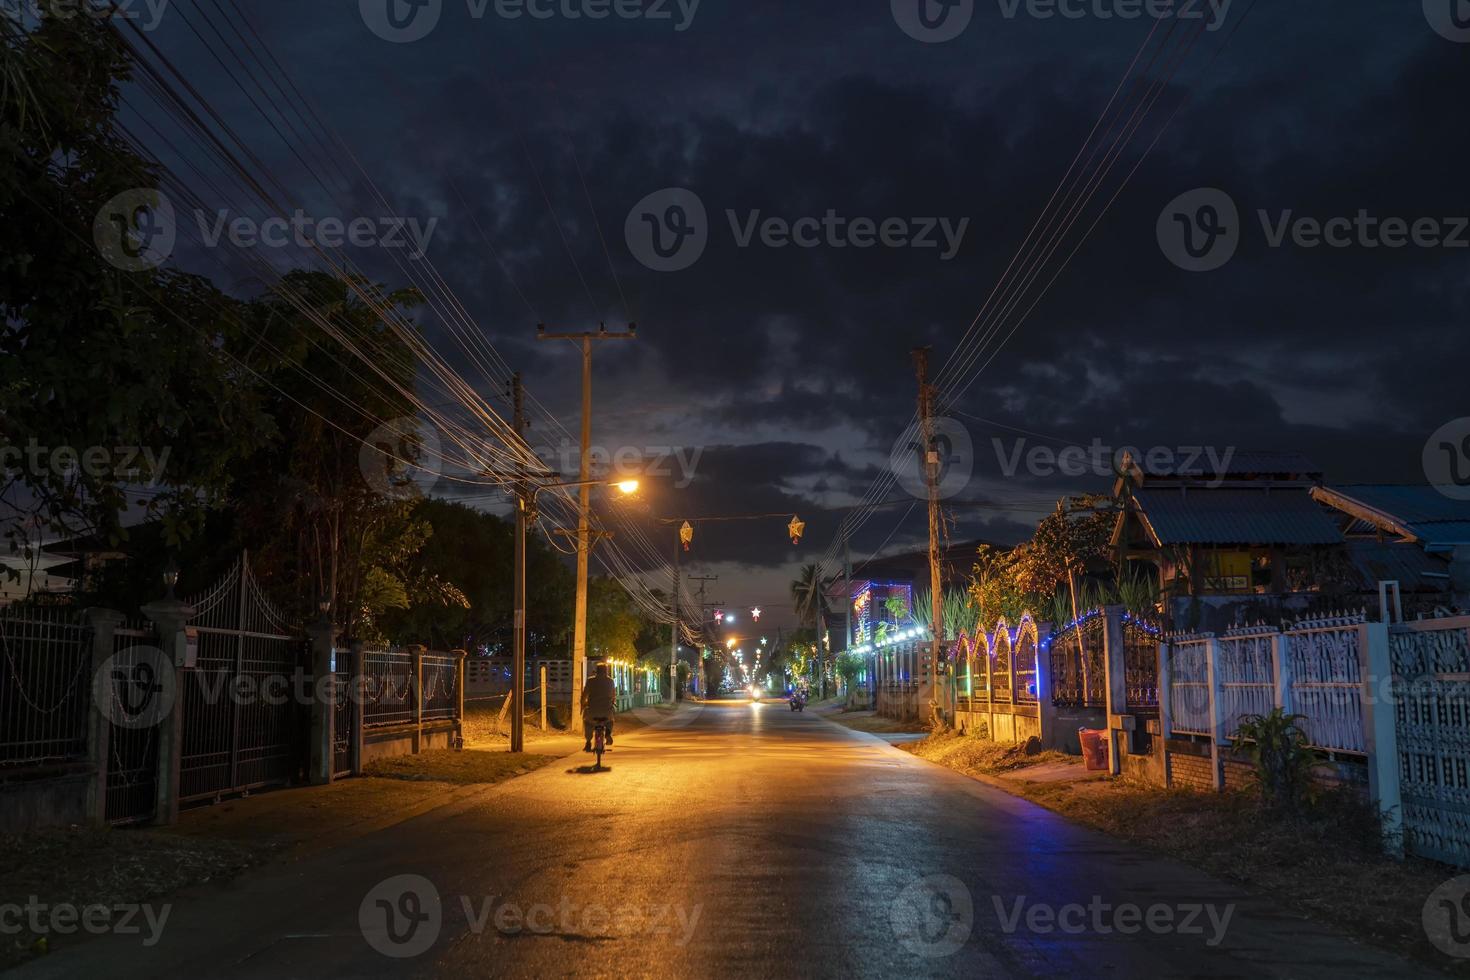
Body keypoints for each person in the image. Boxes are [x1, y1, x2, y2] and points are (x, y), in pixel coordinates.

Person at [581, 661, 617, 752]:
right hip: (606, 712)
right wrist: (612, 702)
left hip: (592, 712)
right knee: (610, 720)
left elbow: (584, 696)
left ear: (596, 671)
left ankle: (588, 741)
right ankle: (608, 734)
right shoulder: (611, 681)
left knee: (587, 723)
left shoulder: (590, 681)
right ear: (606, 671)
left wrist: (583, 704)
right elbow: (613, 696)